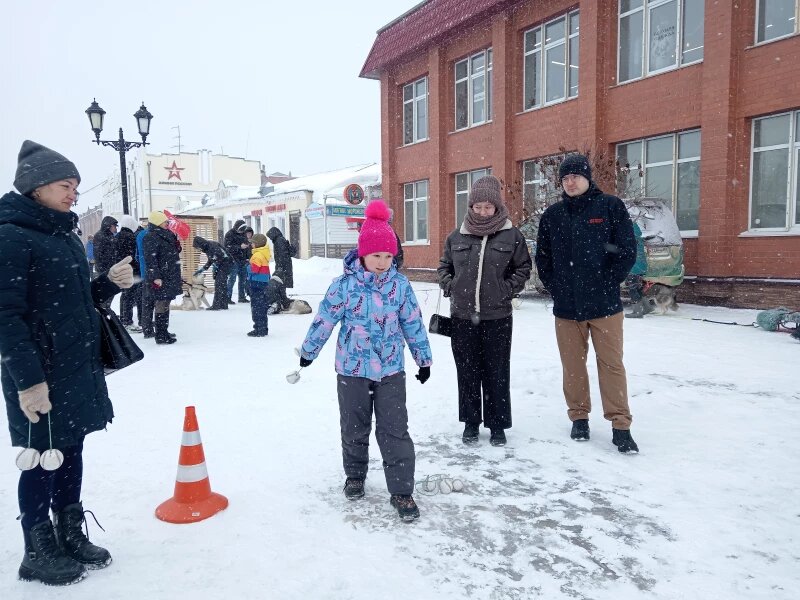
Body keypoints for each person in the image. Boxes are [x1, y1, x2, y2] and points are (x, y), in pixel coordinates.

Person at [0, 140, 135, 586]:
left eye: (76, 186)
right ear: (36, 187)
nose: (73, 194)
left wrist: (107, 283)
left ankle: (69, 531)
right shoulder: (11, 235)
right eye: (65, 185)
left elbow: (74, 301)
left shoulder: (64, 234)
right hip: (39, 373)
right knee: (41, 456)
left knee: (71, 450)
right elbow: (6, 316)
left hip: (75, 367)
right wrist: (28, 382)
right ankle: (36, 547)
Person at [299, 200, 432, 522]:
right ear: (362, 254)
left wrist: (423, 359)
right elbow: (325, 320)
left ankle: (401, 491)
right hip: (352, 369)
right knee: (354, 427)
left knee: (395, 430)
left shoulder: (400, 286)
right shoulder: (343, 286)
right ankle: (355, 475)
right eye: (376, 256)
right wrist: (308, 352)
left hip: (390, 370)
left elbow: (412, 323)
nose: (383, 263)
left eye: (388, 256)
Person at [534, 153, 639, 453]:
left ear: (587, 178)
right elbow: (543, 258)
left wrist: (608, 282)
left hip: (605, 306)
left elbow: (626, 250)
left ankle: (621, 425)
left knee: (611, 365)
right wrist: (556, 288)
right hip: (567, 309)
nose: (570, 182)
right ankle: (579, 417)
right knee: (572, 366)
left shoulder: (609, 207)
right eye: (565, 178)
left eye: (575, 177)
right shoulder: (552, 216)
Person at [437, 175, 532, 447]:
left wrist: (505, 289)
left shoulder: (511, 235)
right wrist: (450, 285)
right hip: (462, 317)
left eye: (488, 207)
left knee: (497, 371)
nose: (482, 212)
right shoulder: (457, 236)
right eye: (477, 207)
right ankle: (471, 423)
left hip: (497, 317)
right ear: (470, 206)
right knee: (467, 372)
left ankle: (497, 425)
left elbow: (523, 268)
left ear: (497, 207)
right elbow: (444, 267)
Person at [142, 211, 182, 344]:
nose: (167, 223)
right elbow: (150, 259)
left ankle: (164, 331)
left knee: (166, 303)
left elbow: (171, 253)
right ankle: (160, 335)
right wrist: (155, 277)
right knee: (161, 303)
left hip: (169, 274)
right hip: (161, 276)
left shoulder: (167, 234)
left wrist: (177, 245)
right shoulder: (150, 237)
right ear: (157, 222)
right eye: (165, 221)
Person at [117, 215, 143, 332]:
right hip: (131, 270)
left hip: (122, 269)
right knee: (130, 296)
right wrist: (137, 267)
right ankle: (127, 322)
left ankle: (124, 320)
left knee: (125, 296)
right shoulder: (130, 237)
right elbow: (132, 255)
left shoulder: (118, 236)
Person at [192, 235, 233, 311]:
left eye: (197, 247)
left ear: (200, 244)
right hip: (224, 265)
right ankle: (223, 305)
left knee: (219, 284)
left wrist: (216, 267)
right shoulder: (207, 247)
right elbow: (211, 259)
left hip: (225, 264)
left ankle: (216, 305)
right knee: (222, 284)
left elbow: (220, 256)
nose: (198, 249)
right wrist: (203, 269)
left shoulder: (211, 246)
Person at [265, 226, 296, 313]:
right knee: (282, 282)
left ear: (274, 234)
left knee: (281, 281)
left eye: (270, 236)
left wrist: (280, 267)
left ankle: (283, 299)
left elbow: (282, 255)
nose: (270, 238)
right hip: (284, 265)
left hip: (282, 266)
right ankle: (283, 299)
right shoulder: (280, 239)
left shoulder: (279, 241)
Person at [624, 221, 652, 319]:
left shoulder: (629, 239)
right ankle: (647, 307)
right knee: (637, 288)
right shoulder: (639, 238)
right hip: (641, 266)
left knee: (632, 288)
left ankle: (637, 312)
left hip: (634, 267)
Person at [246, 233, 271, 336]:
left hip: (256, 283)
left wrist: (248, 266)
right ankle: (263, 328)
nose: (251, 244)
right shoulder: (263, 253)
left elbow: (254, 270)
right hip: (263, 283)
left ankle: (259, 329)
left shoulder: (257, 255)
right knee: (262, 306)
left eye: (252, 243)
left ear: (257, 244)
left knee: (256, 307)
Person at [135, 218, 156, 338]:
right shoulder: (152, 235)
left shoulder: (140, 235)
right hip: (153, 272)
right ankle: (149, 328)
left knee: (146, 301)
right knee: (152, 301)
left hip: (145, 271)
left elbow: (137, 255)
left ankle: (146, 327)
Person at [224, 220, 250, 304]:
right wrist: (239, 247)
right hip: (233, 260)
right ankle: (228, 297)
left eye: (243, 230)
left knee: (243, 280)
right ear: (236, 227)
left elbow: (246, 244)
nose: (241, 232)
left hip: (243, 260)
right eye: (240, 230)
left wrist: (247, 255)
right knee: (232, 279)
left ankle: (241, 297)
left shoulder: (243, 233)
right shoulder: (229, 234)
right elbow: (227, 247)